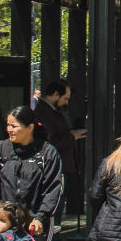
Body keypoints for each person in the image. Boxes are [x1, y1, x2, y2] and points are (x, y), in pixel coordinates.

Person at [0, 105, 66, 241]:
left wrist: (40, 218)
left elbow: (52, 190)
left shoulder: (47, 153)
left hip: (32, 224)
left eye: (14, 126)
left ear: (30, 127)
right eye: (8, 125)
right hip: (1, 223)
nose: (9, 130)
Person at [31, 79, 85, 219]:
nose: (66, 103)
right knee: (54, 210)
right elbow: (49, 142)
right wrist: (71, 137)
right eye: (65, 98)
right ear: (55, 94)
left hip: (61, 165)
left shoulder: (53, 111)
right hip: (55, 167)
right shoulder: (44, 112)